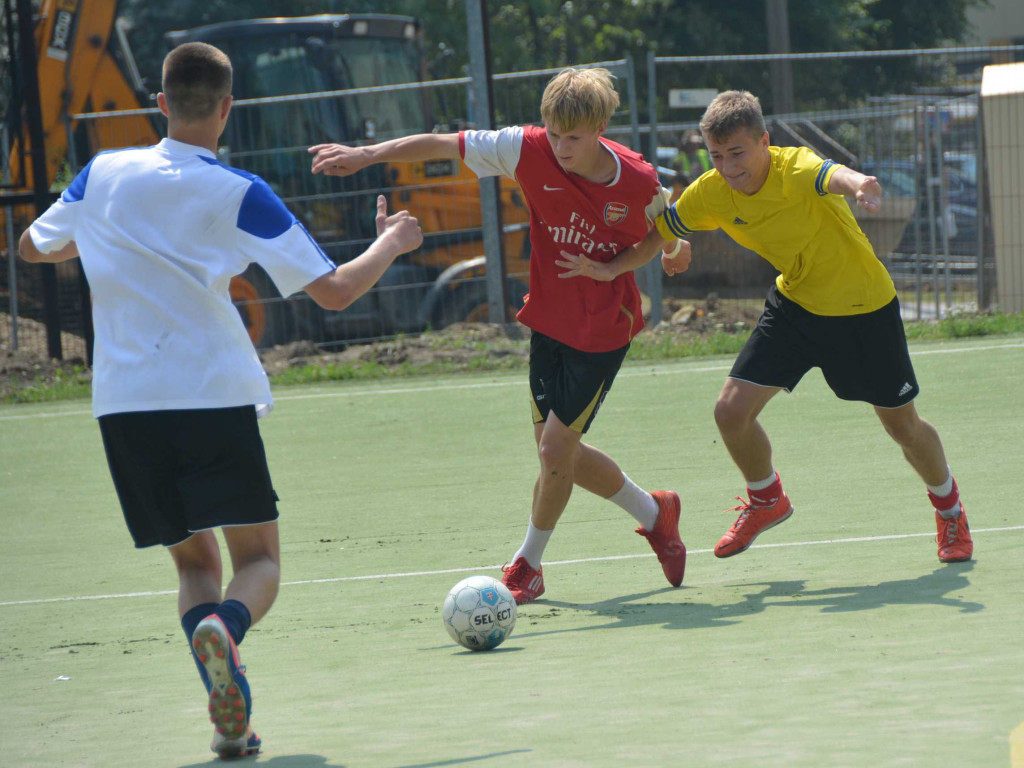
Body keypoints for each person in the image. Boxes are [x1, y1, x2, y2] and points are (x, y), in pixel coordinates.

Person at [19, 42, 422, 759]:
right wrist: (391, 241)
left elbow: (32, 246)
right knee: (258, 560)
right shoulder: (238, 191)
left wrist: (104, 239)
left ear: (162, 102)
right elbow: (333, 291)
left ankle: (227, 721)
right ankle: (227, 629)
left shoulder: (101, 173)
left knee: (192, 565)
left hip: (124, 406)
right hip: (211, 396)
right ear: (228, 108)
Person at [309, 67, 690, 604]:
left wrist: (660, 256)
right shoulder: (524, 149)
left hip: (603, 329)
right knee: (556, 454)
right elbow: (444, 141)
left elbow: (666, 231)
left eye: (573, 138)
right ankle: (656, 513)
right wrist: (368, 155)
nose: (560, 147)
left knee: (557, 449)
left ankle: (527, 565)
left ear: (602, 127)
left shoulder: (639, 180)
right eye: (553, 133)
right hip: (549, 320)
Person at [557, 90, 972, 565]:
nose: (728, 165)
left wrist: (860, 185)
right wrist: (615, 269)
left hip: (863, 310)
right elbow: (662, 232)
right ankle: (766, 498)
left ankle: (950, 510)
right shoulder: (711, 191)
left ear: (764, 142)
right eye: (716, 155)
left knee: (903, 426)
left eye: (737, 153)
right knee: (730, 412)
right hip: (795, 306)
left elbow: (832, 175)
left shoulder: (793, 167)